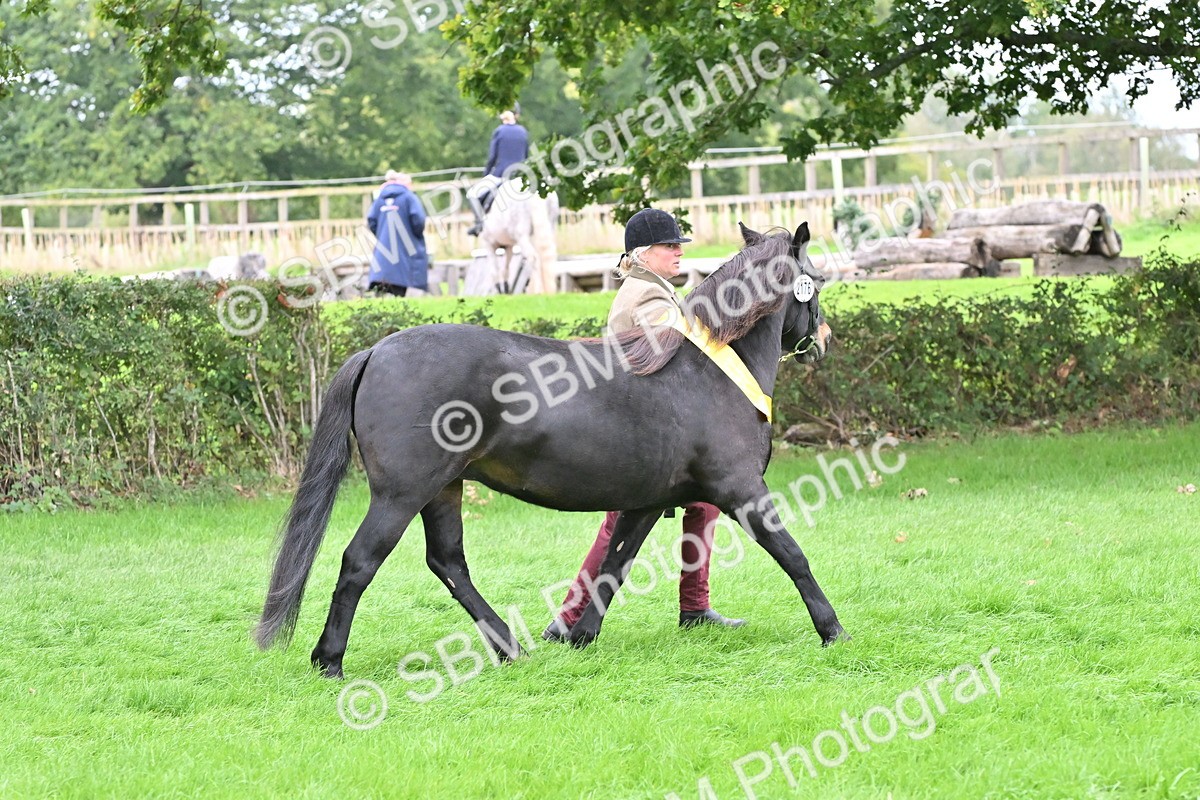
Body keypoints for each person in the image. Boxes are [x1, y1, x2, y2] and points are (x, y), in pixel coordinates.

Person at [543, 208, 747, 643]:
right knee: (618, 525)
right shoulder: (647, 296)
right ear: (643, 253)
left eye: (678, 244)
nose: (678, 251)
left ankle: (694, 607)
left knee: (704, 505)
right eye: (669, 245)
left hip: (654, 428)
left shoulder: (651, 288)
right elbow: (678, 353)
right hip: (643, 435)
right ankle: (567, 619)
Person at [466, 109, 530, 236]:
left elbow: (492, 157)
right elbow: (526, 156)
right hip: (520, 175)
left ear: (502, 117)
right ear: (517, 115)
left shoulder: (499, 131)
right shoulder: (523, 132)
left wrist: (486, 174)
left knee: (472, 194)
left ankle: (479, 224)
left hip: (501, 174)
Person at [366, 170, 428, 296]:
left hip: (384, 250)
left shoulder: (379, 199)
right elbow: (418, 221)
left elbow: (371, 221)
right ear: (406, 183)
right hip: (405, 248)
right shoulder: (409, 197)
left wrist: (382, 235)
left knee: (382, 280)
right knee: (400, 280)